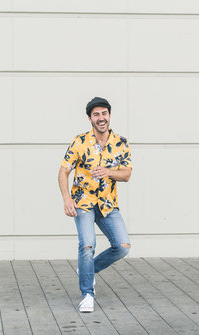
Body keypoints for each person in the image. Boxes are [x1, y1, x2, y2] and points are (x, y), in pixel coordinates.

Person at [58, 97, 132, 313]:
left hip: (108, 204)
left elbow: (126, 174)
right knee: (87, 245)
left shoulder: (121, 143)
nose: (101, 118)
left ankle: (86, 270)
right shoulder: (80, 141)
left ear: (109, 116)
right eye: (96, 115)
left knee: (123, 246)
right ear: (90, 118)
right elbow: (63, 171)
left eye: (104, 114)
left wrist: (109, 172)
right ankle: (87, 294)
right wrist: (66, 199)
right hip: (83, 202)